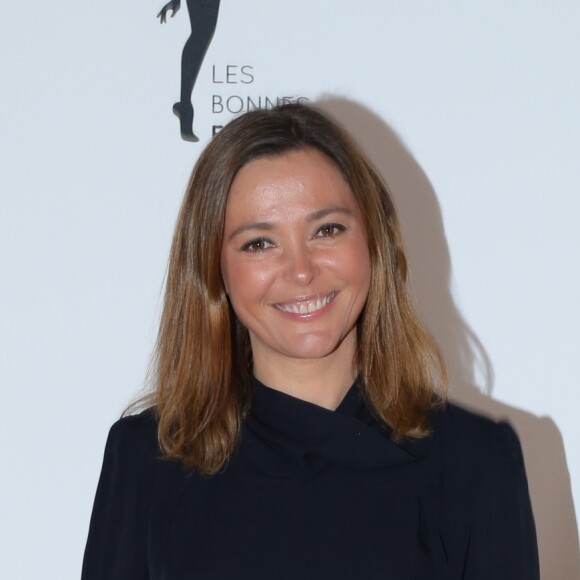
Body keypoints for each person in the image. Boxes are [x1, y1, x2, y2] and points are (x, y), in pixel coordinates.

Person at [81, 103, 539, 579]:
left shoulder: (476, 462)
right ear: (214, 271)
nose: (301, 270)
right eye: (260, 242)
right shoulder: (147, 461)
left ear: (374, 244)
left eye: (327, 230)